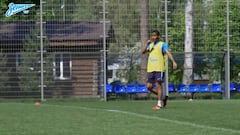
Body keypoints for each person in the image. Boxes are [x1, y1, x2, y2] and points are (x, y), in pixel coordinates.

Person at [142, 30, 177, 110]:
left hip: (159, 68)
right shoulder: (150, 45)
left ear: (158, 36)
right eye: (152, 35)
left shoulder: (162, 45)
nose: (153, 37)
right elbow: (143, 52)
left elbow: (168, 52)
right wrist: (146, 44)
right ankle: (163, 97)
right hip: (151, 68)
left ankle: (159, 104)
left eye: (154, 35)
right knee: (149, 87)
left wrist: (173, 62)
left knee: (158, 85)